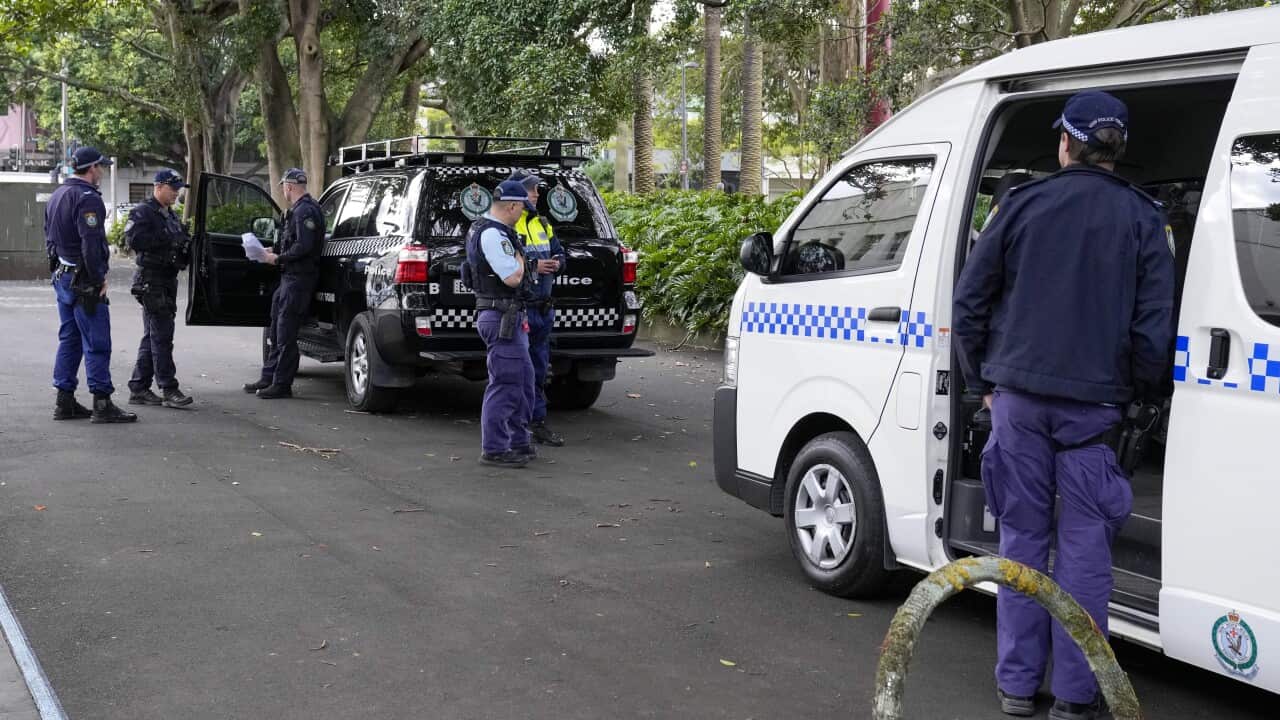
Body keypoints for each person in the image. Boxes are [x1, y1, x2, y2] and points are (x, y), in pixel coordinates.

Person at [952, 91, 1174, 720]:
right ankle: (1076, 700)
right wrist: (1137, 395)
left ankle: (1017, 689)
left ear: (1065, 143)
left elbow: (969, 304)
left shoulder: (1020, 206)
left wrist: (986, 384)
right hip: (1096, 414)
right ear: (1115, 151)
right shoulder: (1143, 218)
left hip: (1017, 405)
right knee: (1084, 553)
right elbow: (1153, 330)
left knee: (1021, 540)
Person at [45, 147, 136, 424]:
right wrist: (98, 279)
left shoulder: (57, 195)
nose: (103, 172)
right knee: (96, 341)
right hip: (83, 281)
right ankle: (102, 401)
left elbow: (49, 237)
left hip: (63, 275)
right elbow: (92, 244)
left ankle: (64, 400)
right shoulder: (87, 198)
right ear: (92, 168)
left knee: (70, 339)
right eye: (101, 167)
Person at [465, 179, 536, 468]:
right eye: (521, 208)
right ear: (511, 205)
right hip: (501, 315)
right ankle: (494, 448)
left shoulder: (488, 229)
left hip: (509, 315)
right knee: (506, 383)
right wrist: (521, 258)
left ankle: (518, 441)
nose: (522, 214)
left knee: (524, 380)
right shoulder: (493, 235)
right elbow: (513, 278)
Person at [242, 168, 326, 399]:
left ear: (288, 187)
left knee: (286, 333)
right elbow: (293, 243)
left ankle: (281, 384)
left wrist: (278, 258)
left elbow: (304, 247)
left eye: (283, 188)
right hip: (289, 278)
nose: (283, 192)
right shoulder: (297, 210)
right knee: (276, 329)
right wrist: (270, 250)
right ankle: (268, 377)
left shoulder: (305, 211)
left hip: (299, 279)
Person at [126, 169, 193, 409]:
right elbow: (132, 240)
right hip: (151, 280)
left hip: (166, 279)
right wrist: (166, 239)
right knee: (162, 335)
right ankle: (168, 388)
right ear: (158, 186)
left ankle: (139, 387)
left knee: (153, 335)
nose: (176, 192)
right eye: (172, 188)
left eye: (178, 188)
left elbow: (178, 245)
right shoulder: (144, 212)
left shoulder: (170, 215)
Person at [509, 172, 566, 447]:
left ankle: (537, 423)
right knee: (518, 370)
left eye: (536, 190)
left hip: (542, 310)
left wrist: (557, 262)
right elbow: (503, 263)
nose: (536, 194)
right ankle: (515, 427)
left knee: (540, 370)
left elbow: (558, 251)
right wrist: (534, 266)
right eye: (532, 190)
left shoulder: (542, 223)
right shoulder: (509, 224)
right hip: (520, 309)